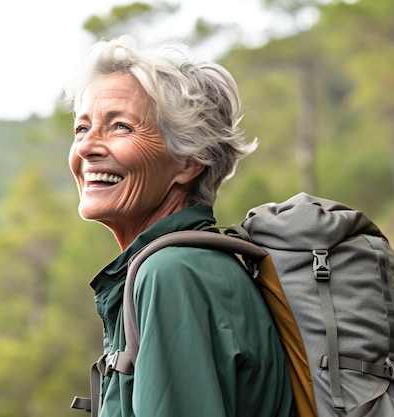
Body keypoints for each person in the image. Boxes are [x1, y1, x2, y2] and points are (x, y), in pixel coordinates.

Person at [67, 35, 295, 417]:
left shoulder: (172, 274)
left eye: (120, 127)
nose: (87, 147)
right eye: (81, 128)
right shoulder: (192, 265)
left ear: (188, 162)